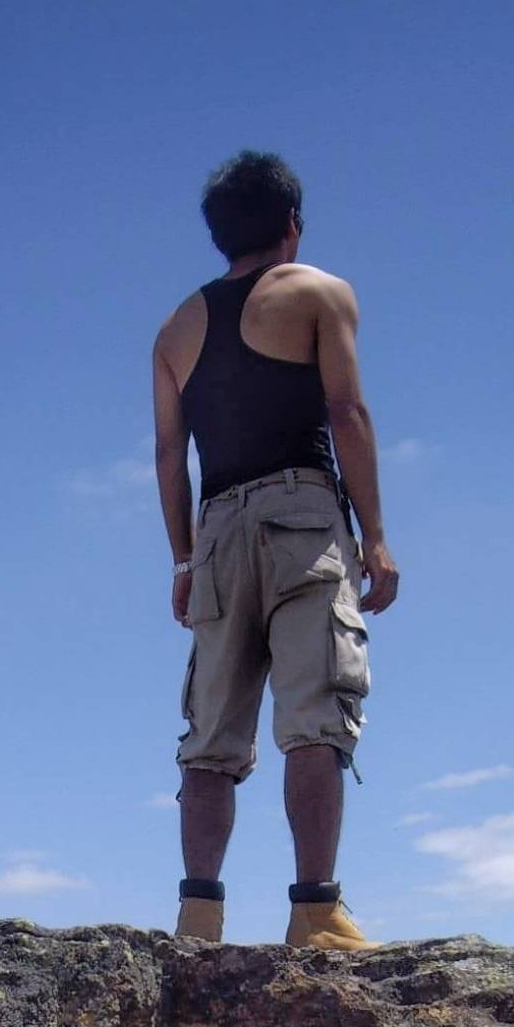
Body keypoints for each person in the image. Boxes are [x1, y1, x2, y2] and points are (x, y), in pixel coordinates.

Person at [151, 150, 400, 948]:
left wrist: (184, 561)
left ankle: (198, 917)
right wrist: (378, 536)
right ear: (291, 224)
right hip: (302, 514)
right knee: (315, 715)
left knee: (212, 736)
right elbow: (346, 411)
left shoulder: (175, 329)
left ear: (219, 234)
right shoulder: (321, 294)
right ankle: (316, 911)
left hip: (217, 528)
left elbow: (167, 456)